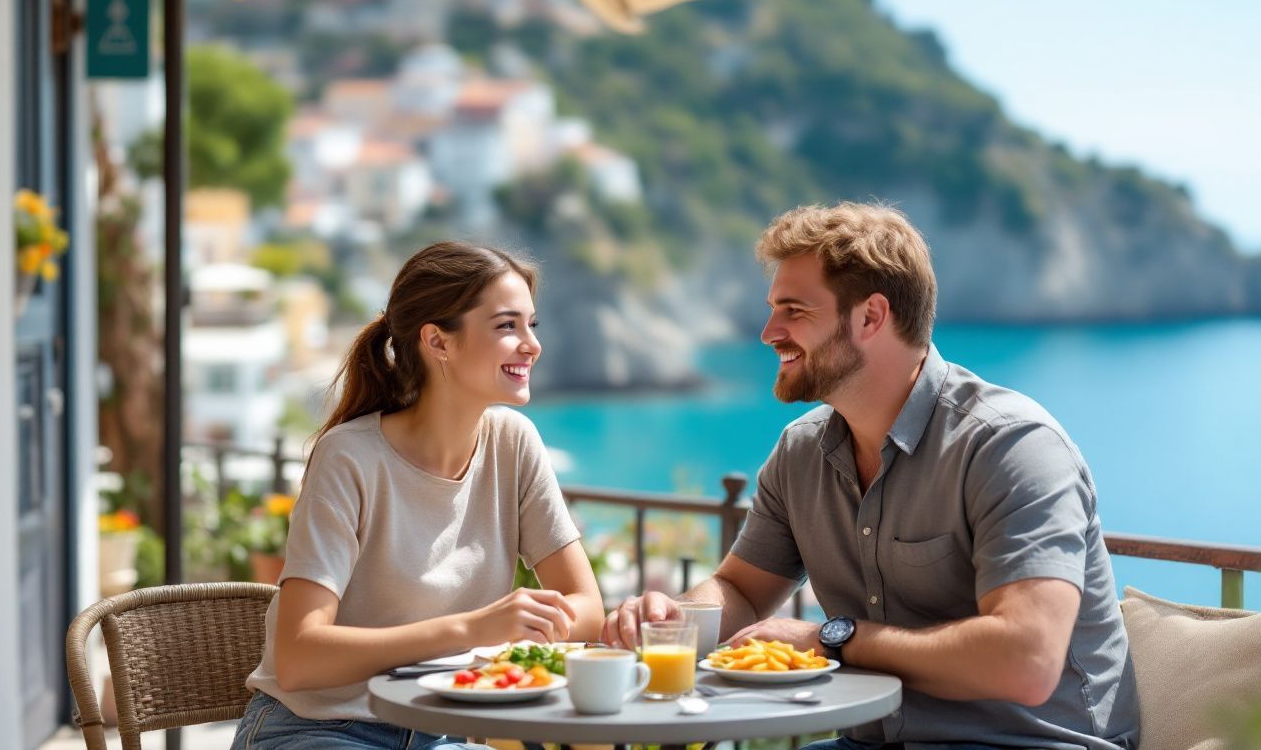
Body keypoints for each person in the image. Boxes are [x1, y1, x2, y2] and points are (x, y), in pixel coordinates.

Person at [603, 203, 1139, 750]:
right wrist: (676, 616)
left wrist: (834, 639)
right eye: (773, 309)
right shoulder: (801, 451)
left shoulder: (1010, 446)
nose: (768, 332)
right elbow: (740, 588)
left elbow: (1027, 660)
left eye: (793, 310)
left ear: (870, 317)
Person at [234, 242, 604, 749]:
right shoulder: (349, 458)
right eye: (506, 326)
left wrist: (508, 635)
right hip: (319, 729)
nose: (532, 345)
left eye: (531, 325)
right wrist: (472, 630)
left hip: (440, 735)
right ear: (438, 341)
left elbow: (587, 609)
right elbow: (299, 657)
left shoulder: (514, 444)